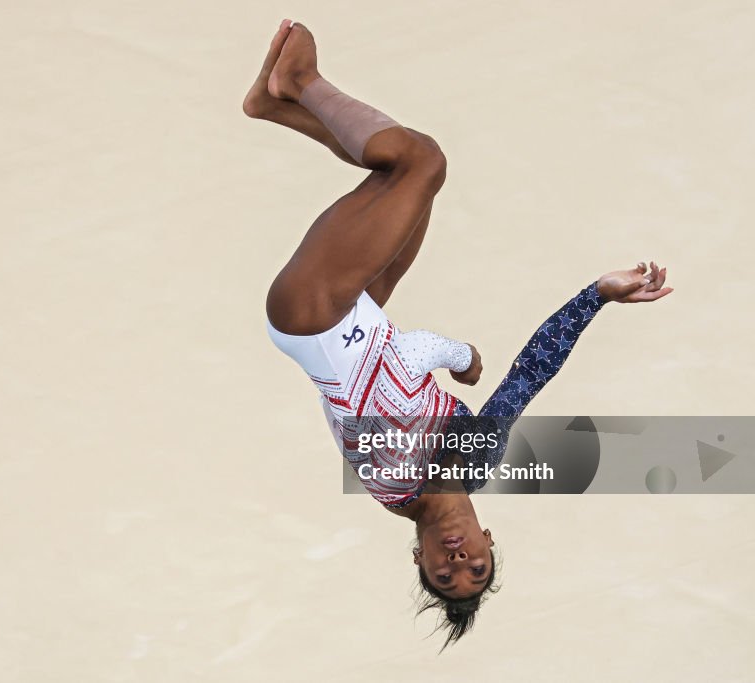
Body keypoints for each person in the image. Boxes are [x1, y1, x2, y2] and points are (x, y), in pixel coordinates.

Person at [244, 19, 673, 648]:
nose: (457, 559)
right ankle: (271, 105)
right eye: (476, 566)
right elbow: (529, 375)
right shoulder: (478, 460)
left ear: (418, 561)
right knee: (414, 182)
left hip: (316, 313)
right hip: (362, 314)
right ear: (488, 542)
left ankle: (301, 84)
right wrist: (597, 296)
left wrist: (464, 356)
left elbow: (410, 359)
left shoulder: (391, 479)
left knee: (417, 162)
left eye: (445, 574)